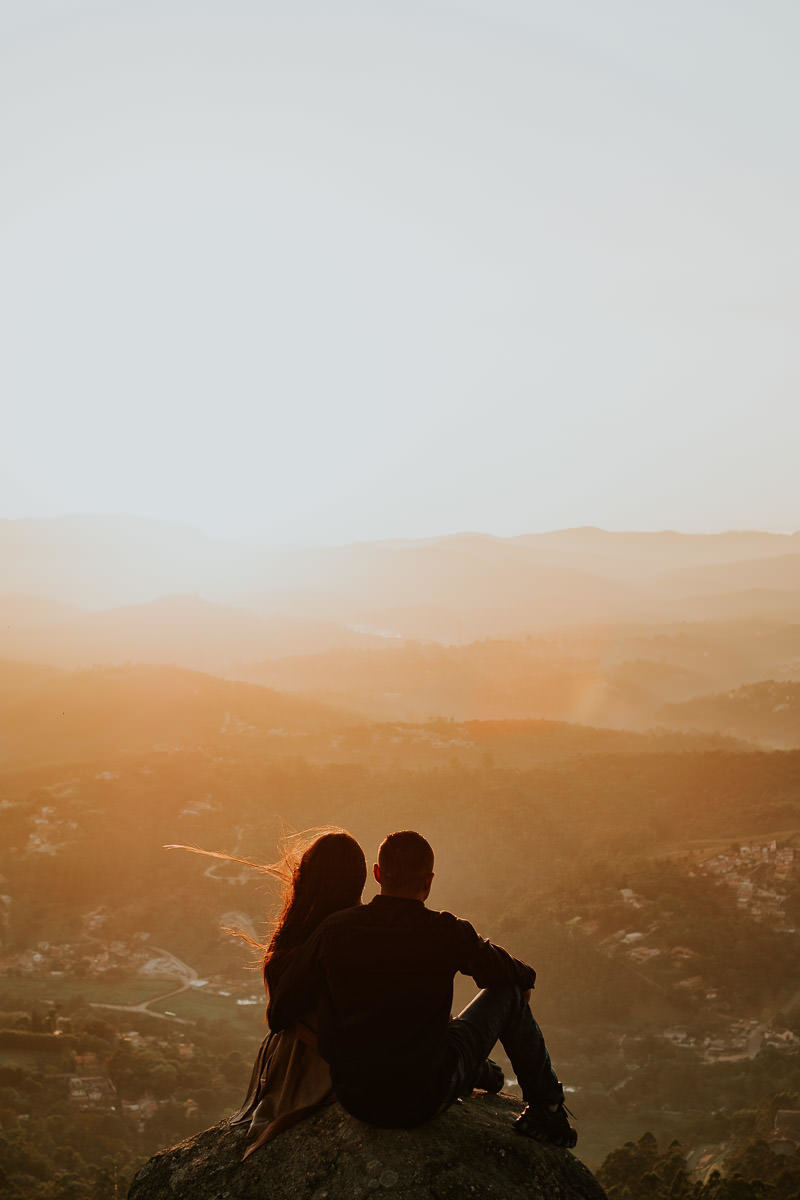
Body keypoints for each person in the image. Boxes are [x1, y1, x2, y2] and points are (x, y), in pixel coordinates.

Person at [267, 830, 577, 1148]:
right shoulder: (446, 931)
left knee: (462, 1055)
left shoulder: (334, 930)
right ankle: (547, 1108)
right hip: (425, 1096)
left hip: (357, 1097)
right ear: (428, 882)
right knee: (507, 995)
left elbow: (279, 1013)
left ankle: (479, 1073)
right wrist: (520, 989)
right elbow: (517, 974)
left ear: (377, 874)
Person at [200, 829, 368, 1157]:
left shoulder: (301, 939)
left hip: (302, 1067)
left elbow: (278, 1017)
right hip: (351, 1061)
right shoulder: (366, 930)